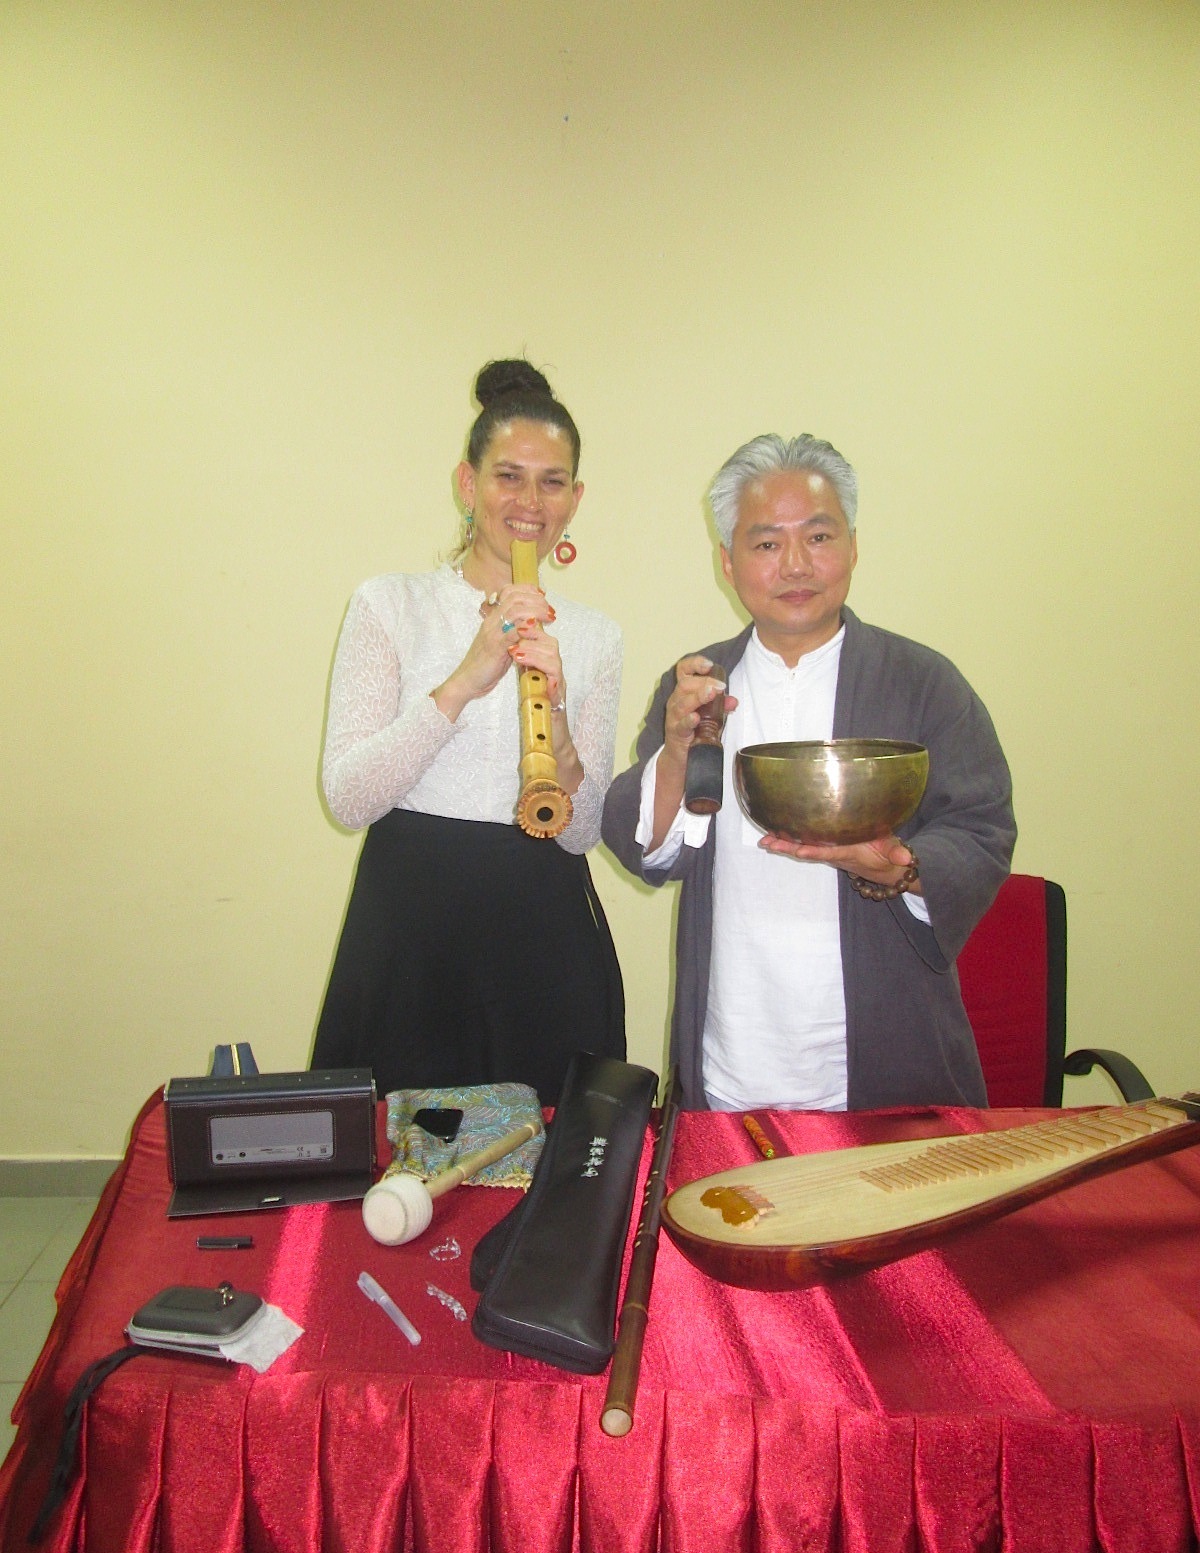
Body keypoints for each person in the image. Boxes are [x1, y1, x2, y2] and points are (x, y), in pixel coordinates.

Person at [601, 433, 1014, 1113]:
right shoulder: (700, 685)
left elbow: (983, 827)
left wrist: (905, 868)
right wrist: (677, 749)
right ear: (728, 565)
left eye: (818, 536)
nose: (796, 563)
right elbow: (649, 851)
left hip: (888, 1054)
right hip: (734, 1054)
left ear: (853, 547)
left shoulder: (923, 682)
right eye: (766, 543)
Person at [312, 359, 625, 1104]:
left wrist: (562, 733)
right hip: (412, 919)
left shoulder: (593, 636)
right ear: (466, 483)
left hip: (543, 924)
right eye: (508, 476)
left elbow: (581, 835)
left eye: (553, 482)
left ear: (576, 499)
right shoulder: (390, 605)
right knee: (403, 1170)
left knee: (544, 1164)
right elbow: (348, 797)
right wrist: (464, 681)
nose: (529, 502)